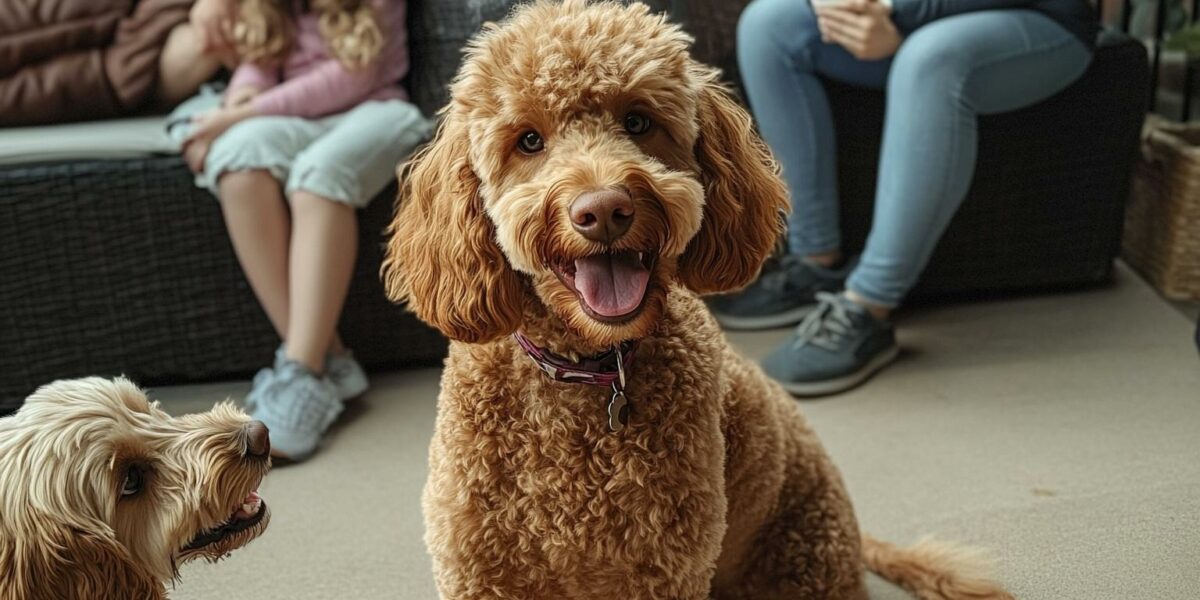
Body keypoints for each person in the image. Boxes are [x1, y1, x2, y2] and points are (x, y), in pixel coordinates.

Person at [715, 0, 1097, 396]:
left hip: (1039, 18)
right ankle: (815, 262)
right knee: (769, 25)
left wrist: (900, 11)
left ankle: (867, 306)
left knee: (930, 59)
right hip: (905, 14)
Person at [168, 0, 430, 460]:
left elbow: (353, 77)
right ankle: (329, 360)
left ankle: (303, 368)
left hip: (376, 110)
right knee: (238, 162)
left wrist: (241, 115)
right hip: (296, 118)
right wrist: (238, 101)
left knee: (318, 177)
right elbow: (260, 61)